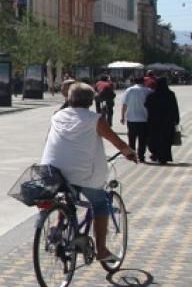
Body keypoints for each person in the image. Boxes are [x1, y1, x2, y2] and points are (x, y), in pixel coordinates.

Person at [41, 83, 137, 263]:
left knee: (67, 197)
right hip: (82, 173)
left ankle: (56, 227)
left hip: (52, 171)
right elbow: (117, 142)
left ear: (69, 99)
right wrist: (129, 153)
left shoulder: (58, 116)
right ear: (92, 101)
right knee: (100, 204)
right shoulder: (95, 119)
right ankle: (101, 249)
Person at [144, 77, 180, 164]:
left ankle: (156, 154)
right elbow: (175, 107)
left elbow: (146, 105)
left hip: (154, 122)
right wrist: (177, 119)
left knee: (154, 139)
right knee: (166, 139)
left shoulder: (152, 95)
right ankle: (164, 157)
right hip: (167, 122)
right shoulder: (170, 94)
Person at [120, 76, 151, 163]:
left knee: (132, 137)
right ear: (143, 82)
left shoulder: (130, 90)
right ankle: (141, 156)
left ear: (134, 81)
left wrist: (122, 116)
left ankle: (132, 155)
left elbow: (124, 104)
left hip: (131, 118)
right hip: (144, 119)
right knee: (142, 139)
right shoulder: (148, 91)